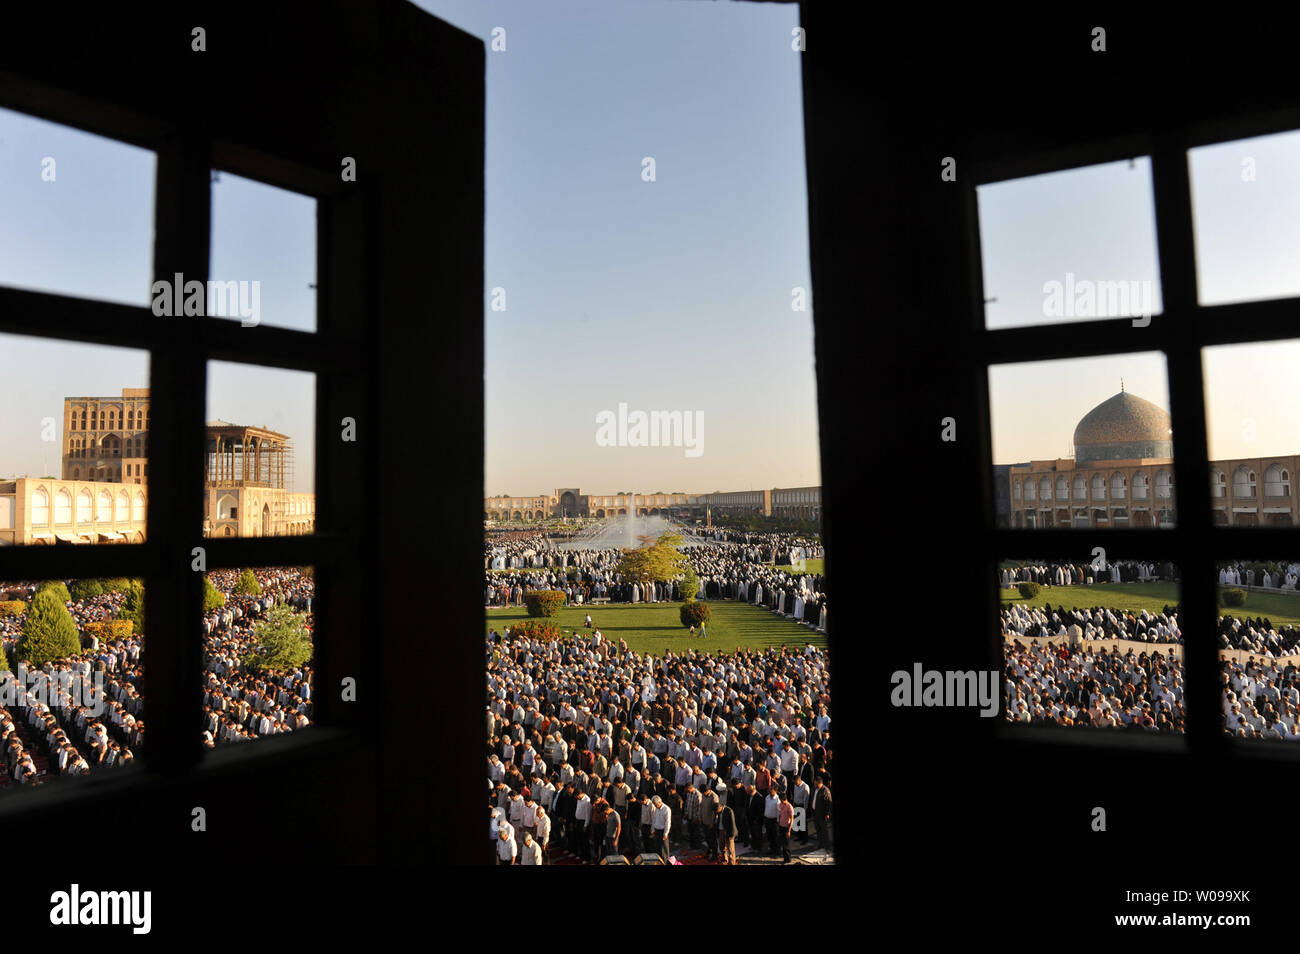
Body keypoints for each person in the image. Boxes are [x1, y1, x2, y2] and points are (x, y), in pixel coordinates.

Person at [810, 776, 832, 851]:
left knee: (824, 831)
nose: (815, 786)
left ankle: (827, 847)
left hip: (822, 814)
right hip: (815, 813)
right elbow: (812, 798)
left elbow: (829, 803)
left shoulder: (825, 790)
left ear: (820, 783)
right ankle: (820, 845)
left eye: (816, 784)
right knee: (818, 830)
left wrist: (827, 814)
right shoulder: (813, 788)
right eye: (814, 784)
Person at [716, 801, 737, 865]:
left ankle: (732, 862)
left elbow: (733, 824)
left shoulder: (729, 810)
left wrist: (732, 834)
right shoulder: (718, 812)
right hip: (721, 830)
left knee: (730, 849)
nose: (717, 812)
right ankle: (724, 860)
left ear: (720, 807)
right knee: (722, 846)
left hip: (728, 831)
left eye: (717, 810)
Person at [777, 793, 794, 863]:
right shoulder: (780, 805)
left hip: (786, 827)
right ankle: (785, 858)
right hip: (781, 826)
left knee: (786, 845)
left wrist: (789, 830)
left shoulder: (789, 806)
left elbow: (792, 819)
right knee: (783, 843)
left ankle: (788, 859)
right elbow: (780, 814)